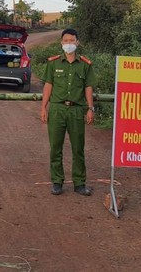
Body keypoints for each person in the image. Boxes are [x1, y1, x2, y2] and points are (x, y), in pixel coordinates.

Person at [40, 28, 96, 196]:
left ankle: (79, 183)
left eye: (72, 41)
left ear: (77, 43)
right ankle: (57, 181)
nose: (69, 44)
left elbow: (88, 87)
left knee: (78, 148)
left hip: (77, 110)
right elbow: (48, 85)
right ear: (61, 43)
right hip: (57, 109)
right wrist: (43, 107)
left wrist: (90, 108)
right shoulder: (53, 63)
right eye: (66, 41)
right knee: (55, 147)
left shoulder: (85, 64)